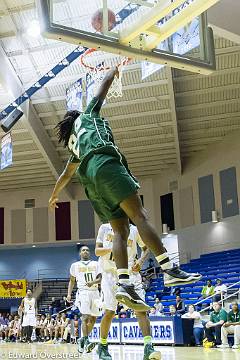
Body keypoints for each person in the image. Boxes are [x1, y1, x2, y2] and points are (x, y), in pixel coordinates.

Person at [48, 67, 201, 311]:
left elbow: (66, 175)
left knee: (120, 231)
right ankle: (168, 268)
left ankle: (124, 284)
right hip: (104, 165)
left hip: (91, 183)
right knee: (139, 216)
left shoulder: (74, 149)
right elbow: (104, 86)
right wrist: (113, 70)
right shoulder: (87, 116)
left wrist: (54, 195)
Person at [96, 222, 161, 360]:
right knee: (109, 312)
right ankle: (102, 346)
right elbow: (97, 251)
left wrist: (141, 261)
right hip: (110, 273)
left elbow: (145, 248)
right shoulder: (105, 227)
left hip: (131, 273)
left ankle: (148, 347)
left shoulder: (135, 230)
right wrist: (116, 248)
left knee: (140, 309)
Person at [67, 245, 101, 354]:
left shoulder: (96, 264)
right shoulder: (75, 265)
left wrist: (93, 282)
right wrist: (68, 294)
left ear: (89, 253)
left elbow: (101, 278)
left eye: (87, 250)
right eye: (83, 250)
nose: (85, 251)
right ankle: (86, 341)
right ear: (80, 253)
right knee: (85, 317)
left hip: (95, 292)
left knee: (93, 318)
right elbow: (72, 281)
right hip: (83, 292)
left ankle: (82, 339)